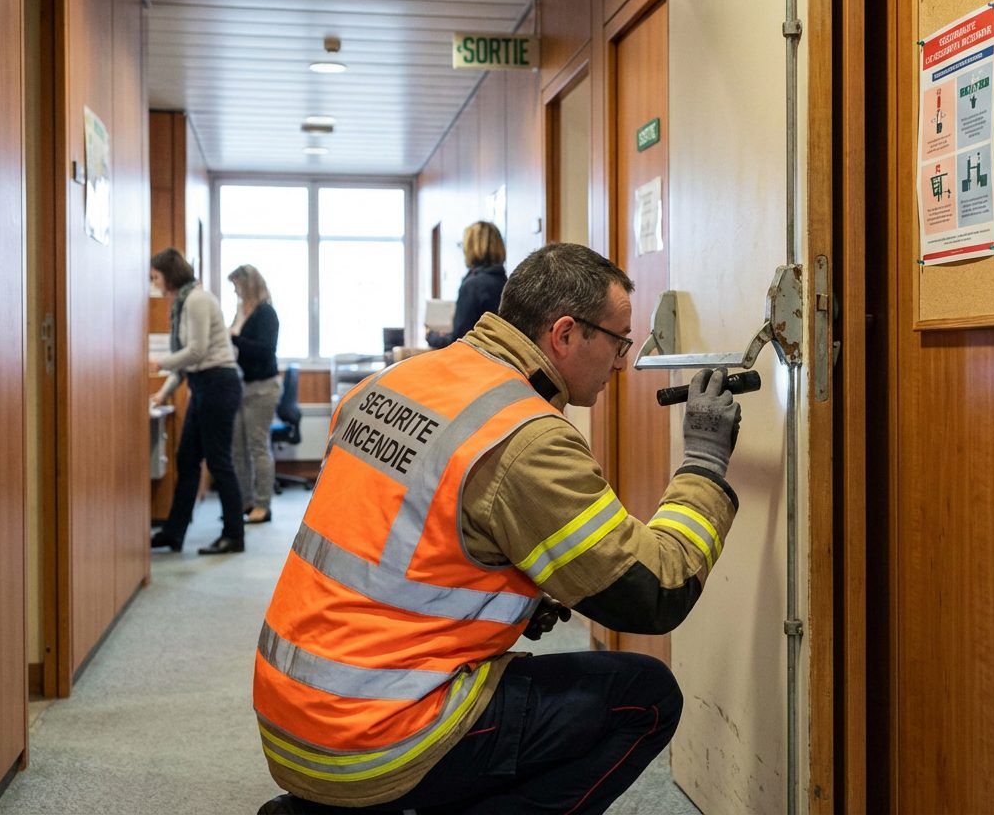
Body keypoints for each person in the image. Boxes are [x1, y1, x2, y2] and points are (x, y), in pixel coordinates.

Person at [255, 242, 743, 814]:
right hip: (376, 737)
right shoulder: (524, 436)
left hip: (291, 712)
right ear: (565, 334)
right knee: (645, 698)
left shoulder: (396, 381)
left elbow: (397, 540)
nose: (621, 362)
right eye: (618, 342)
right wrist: (704, 462)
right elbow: (654, 592)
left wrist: (510, 597)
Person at [149, 248, 245, 555]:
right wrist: (163, 392)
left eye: (156, 277)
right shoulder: (182, 303)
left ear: (169, 275)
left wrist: (158, 363)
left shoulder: (196, 300)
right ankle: (173, 532)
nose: (154, 284)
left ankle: (234, 534)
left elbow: (196, 351)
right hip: (203, 384)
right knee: (187, 459)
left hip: (218, 383)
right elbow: (187, 364)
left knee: (218, 461)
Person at [227, 264, 281, 525]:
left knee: (258, 447)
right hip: (243, 386)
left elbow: (264, 350)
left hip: (262, 388)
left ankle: (262, 505)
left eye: (237, 285)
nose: (235, 291)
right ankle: (245, 502)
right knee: (238, 448)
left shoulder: (266, 313)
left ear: (248, 285)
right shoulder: (241, 313)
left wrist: (234, 338)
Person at [425, 220, 507, 348]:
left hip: (475, 358)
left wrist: (431, 336)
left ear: (470, 247)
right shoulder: (507, 283)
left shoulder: (473, 286)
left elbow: (459, 341)